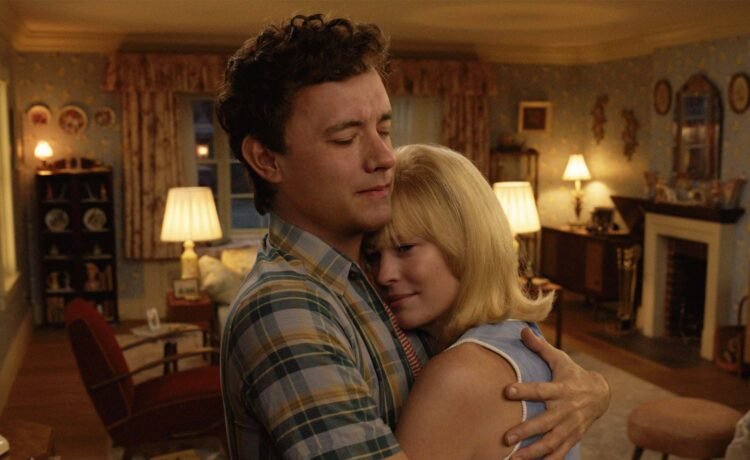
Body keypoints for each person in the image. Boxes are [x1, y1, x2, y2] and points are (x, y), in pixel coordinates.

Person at [216, 13, 609, 459]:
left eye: (384, 130)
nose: (384, 156)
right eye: (345, 138)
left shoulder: (363, 274)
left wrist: (595, 388)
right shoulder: (285, 306)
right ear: (267, 160)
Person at [366, 144, 582, 459]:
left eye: (405, 248)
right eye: (373, 255)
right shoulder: (517, 335)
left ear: (466, 242)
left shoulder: (459, 375)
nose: (384, 274)